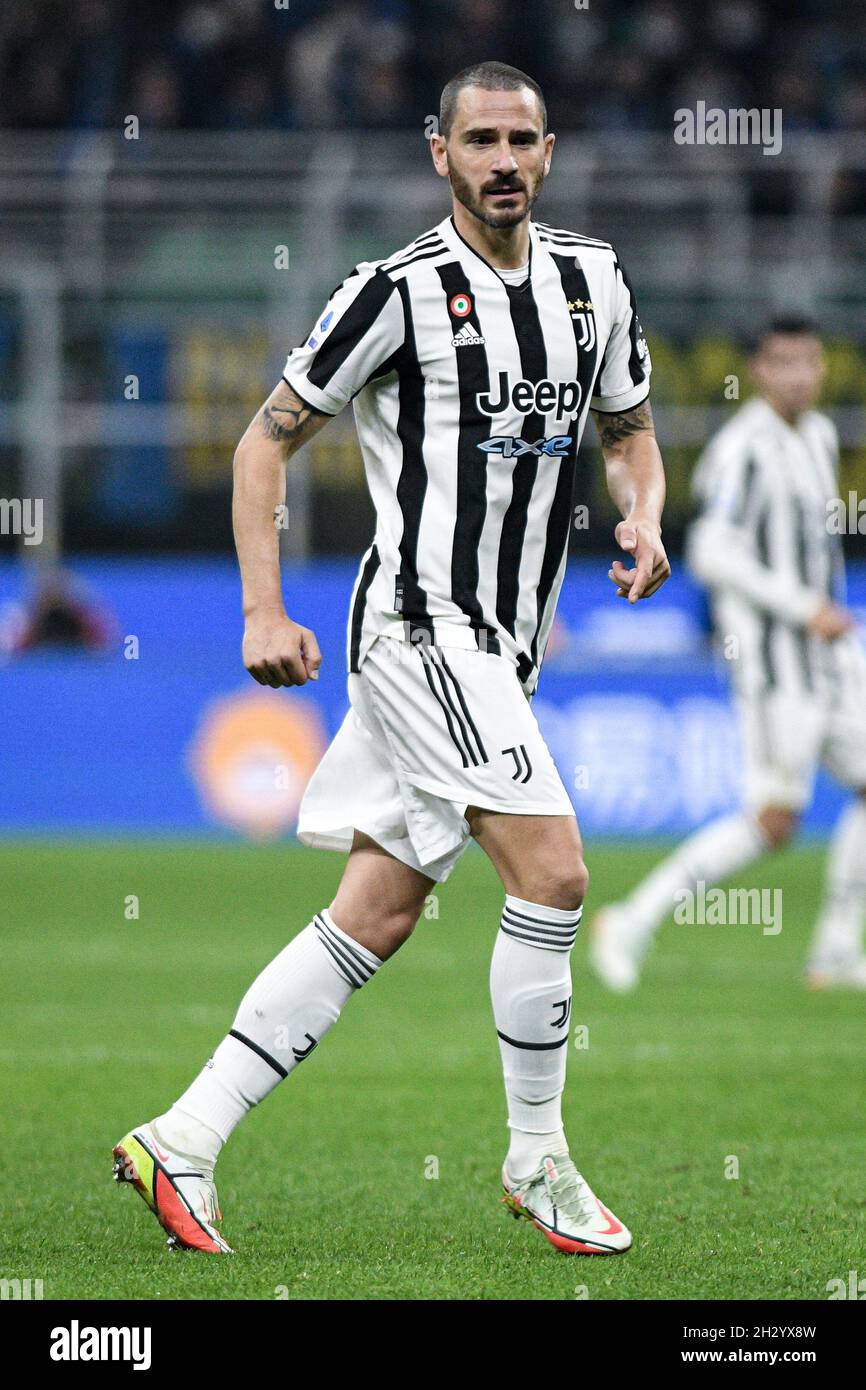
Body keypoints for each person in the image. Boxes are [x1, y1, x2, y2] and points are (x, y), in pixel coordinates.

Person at [113, 61, 669, 1257]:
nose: (503, 160)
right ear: (439, 153)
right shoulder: (393, 293)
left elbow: (628, 429)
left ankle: (184, 1136)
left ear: (550, 151)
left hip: (505, 647)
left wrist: (644, 513)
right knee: (556, 875)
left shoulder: (593, 283)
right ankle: (538, 1157)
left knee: (377, 908)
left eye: (522, 139)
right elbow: (265, 445)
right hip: (423, 628)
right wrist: (261, 612)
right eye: (481, 140)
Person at [591, 317, 866, 993]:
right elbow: (713, 553)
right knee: (773, 819)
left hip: (828, 660)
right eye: (782, 362)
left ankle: (835, 949)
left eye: (809, 360)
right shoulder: (742, 449)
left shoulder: (821, 437)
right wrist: (804, 609)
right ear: (759, 370)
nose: (798, 374)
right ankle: (632, 919)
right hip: (776, 666)